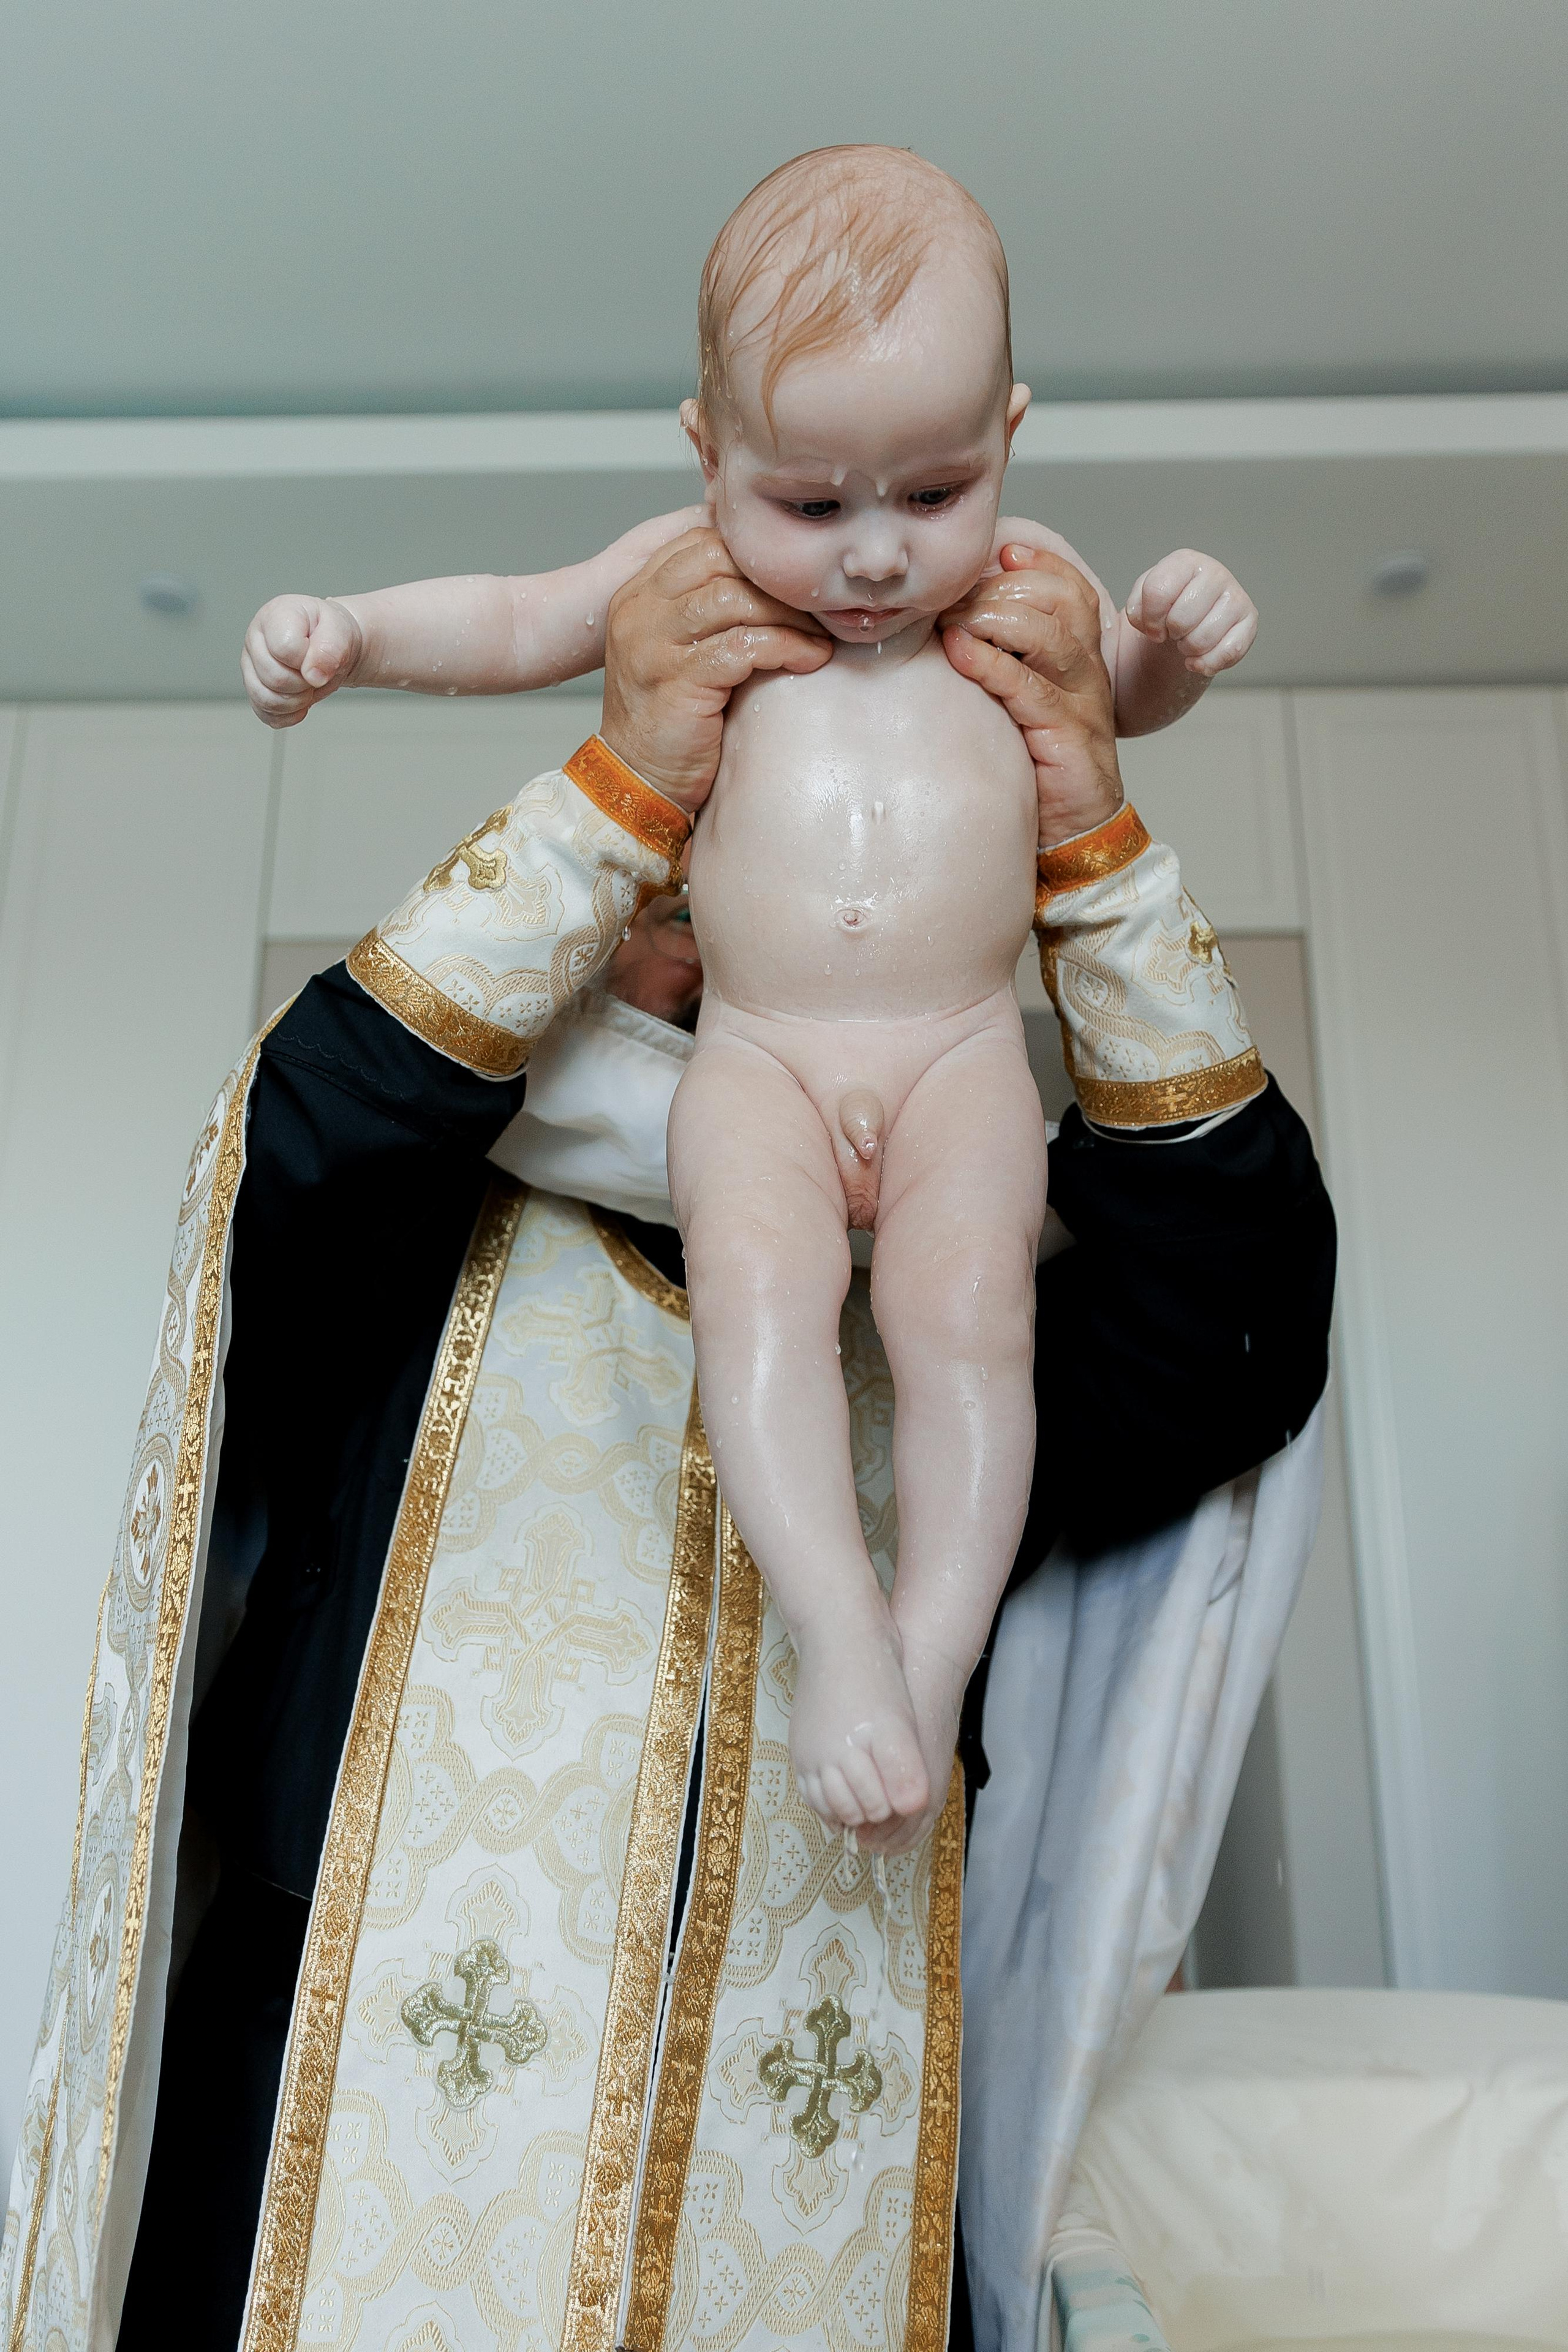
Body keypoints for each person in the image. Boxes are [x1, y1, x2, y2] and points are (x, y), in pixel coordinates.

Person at [1, 531, 1331, 2352]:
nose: (705, 940)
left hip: (812, 2169)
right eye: (677, 873)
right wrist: (618, 779)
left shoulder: (963, 1301)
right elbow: (283, 1168)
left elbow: (1241, 1332)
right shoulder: (416, 1220)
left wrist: (1089, 833)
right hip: (335, 2149)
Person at [237, 148, 1265, 1857]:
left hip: (957, 1050)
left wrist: (1173, 641)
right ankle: (840, 1631)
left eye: (934, 491)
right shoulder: (679, 573)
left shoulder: (1028, 581)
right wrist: (348, 631)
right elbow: (512, 617)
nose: (876, 558)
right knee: (766, 1310)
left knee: (968, 1323)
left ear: (1009, 435)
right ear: (710, 454)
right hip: (764, 1057)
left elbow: (1125, 697)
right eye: (811, 505)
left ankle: (932, 1653)